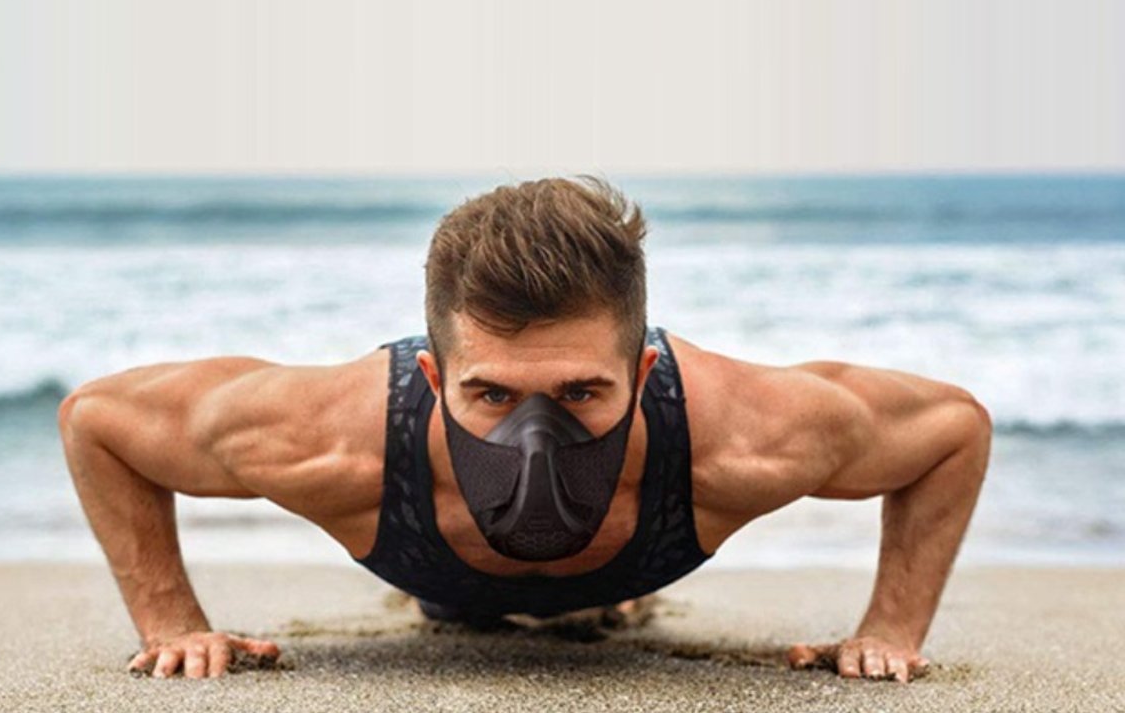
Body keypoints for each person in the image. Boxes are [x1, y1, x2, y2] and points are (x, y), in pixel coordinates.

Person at [58, 175, 992, 685]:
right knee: (455, 604)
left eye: (583, 391)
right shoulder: (329, 441)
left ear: (646, 371)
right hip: (435, 568)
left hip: (639, 556)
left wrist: (890, 630)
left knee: (601, 601)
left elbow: (951, 429)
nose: (535, 433)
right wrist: (173, 623)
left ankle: (615, 598)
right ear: (432, 375)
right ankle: (471, 595)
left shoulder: (747, 437)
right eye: (492, 394)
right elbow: (99, 421)